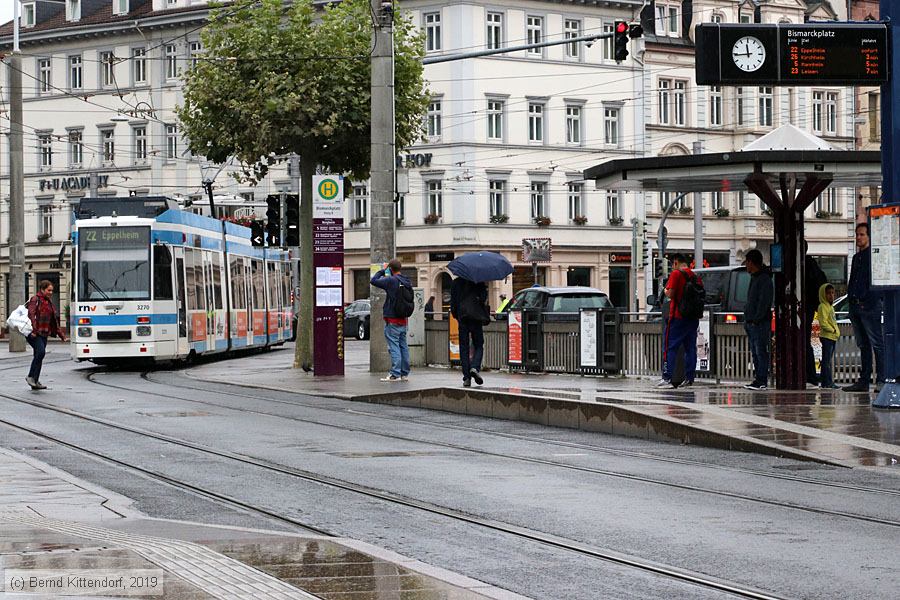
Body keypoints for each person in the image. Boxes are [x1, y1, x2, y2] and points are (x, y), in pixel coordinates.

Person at [843, 222, 885, 393]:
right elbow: (854, 280)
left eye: (862, 235)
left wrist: (866, 299)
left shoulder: (873, 256)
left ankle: (881, 379)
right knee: (864, 345)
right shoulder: (856, 257)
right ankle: (865, 379)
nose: (858, 238)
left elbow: (875, 282)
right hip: (856, 305)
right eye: (857, 234)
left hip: (869, 305)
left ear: (869, 236)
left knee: (876, 343)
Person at [656, 254, 701, 389]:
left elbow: (670, 293)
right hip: (692, 318)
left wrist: (665, 289)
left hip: (677, 317)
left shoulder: (676, 274)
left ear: (676, 263)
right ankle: (689, 379)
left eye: (672, 264)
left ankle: (667, 377)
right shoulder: (695, 276)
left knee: (670, 347)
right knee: (690, 348)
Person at [370, 259, 411, 382]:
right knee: (403, 346)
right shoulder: (406, 280)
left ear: (390, 269)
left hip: (392, 319)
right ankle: (404, 373)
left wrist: (383, 271)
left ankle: (395, 374)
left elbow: (373, 280)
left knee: (394, 347)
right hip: (403, 319)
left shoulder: (391, 280)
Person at [25, 280, 67, 390]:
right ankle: (30, 376)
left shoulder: (49, 303)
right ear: (42, 289)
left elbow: (54, 321)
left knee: (39, 355)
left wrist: (61, 335)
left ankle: (35, 381)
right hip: (34, 333)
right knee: (41, 352)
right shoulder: (35, 299)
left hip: (44, 333)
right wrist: (34, 330)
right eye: (49, 290)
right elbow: (31, 314)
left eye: (52, 290)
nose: (51, 292)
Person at [743, 250, 774, 391]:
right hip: (752, 322)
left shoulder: (764, 279)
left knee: (760, 351)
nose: (746, 266)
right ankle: (758, 379)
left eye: (747, 263)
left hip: (759, 323)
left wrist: (756, 319)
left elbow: (764, 301)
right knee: (756, 352)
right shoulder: (755, 278)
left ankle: (761, 380)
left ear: (751, 262)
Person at [450, 276, 489, 387]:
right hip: (476, 317)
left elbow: (453, 304)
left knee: (464, 347)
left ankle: (467, 377)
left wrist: (457, 316)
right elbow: (483, 298)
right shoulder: (478, 281)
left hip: (462, 318)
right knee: (479, 344)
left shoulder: (456, 283)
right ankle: (475, 367)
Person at [803, 243, 828, 386]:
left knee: (804, 342)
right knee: (807, 342)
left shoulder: (805, 266)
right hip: (812, 307)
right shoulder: (814, 267)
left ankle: (810, 374)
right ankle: (813, 375)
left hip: (806, 307)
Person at [817, 283, 839, 390]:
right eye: (828, 293)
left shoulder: (830, 307)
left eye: (832, 293)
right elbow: (823, 322)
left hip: (832, 336)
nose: (831, 295)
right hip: (827, 336)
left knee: (827, 361)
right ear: (823, 295)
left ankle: (826, 382)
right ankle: (827, 382)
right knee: (826, 362)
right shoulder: (822, 307)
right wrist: (833, 330)